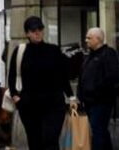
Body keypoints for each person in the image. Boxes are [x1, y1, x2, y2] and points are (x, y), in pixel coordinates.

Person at [6, 16, 71, 150]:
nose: (37, 32)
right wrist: (16, 97)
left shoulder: (53, 50)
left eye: (40, 29)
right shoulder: (20, 51)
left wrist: (71, 96)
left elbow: (63, 76)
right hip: (29, 105)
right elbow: (12, 76)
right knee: (35, 141)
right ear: (27, 33)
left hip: (53, 104)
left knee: (50, 139)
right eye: (33, 30)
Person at [78, 29, 119, 150]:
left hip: (101, 100)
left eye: (89, 38)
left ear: (98, 39)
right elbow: (82, 76)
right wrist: (80, 95)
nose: (86, 40)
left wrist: (96, 90)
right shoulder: (89, 56)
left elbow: (112, 77)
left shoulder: (108, 54)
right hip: (89, 101)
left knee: (98, 130)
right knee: (100, 129)